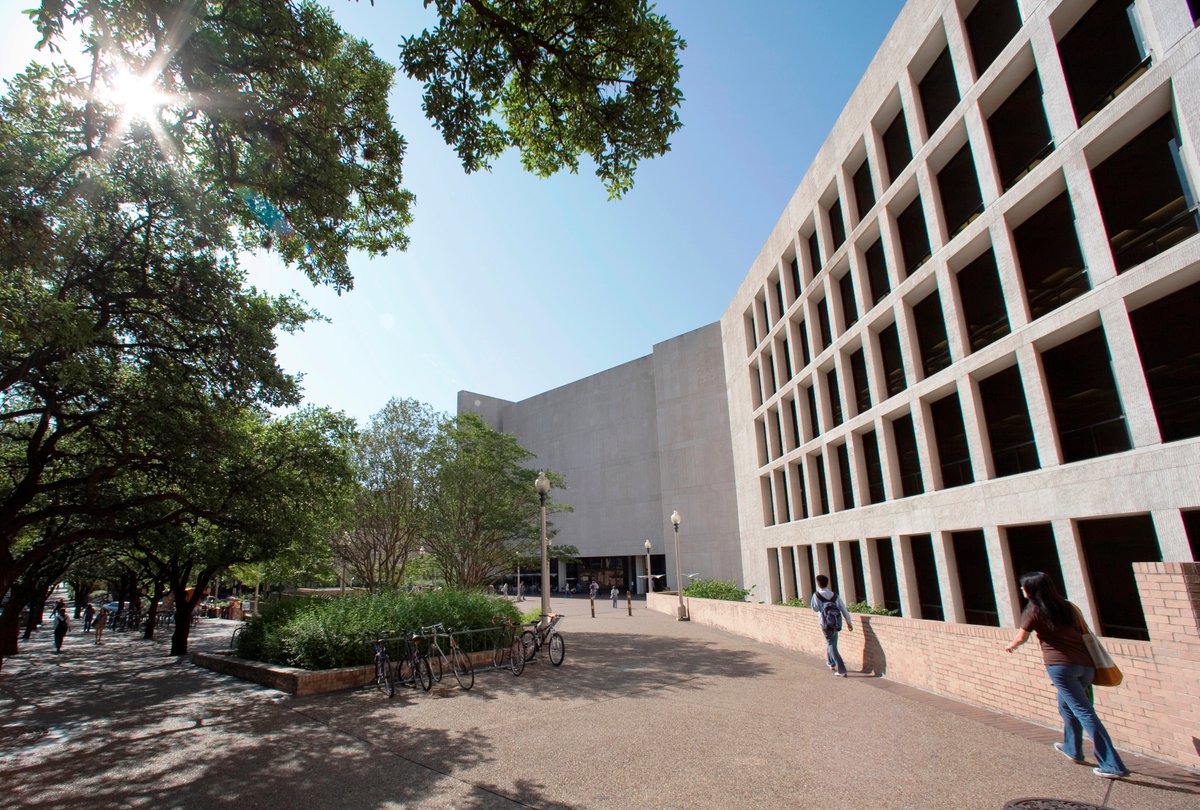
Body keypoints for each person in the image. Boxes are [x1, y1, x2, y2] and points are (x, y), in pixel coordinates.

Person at [1004, 571, 1129, 779]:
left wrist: (1010, 646)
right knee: (1066, 706)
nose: (1021, 590)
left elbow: (1021, 638)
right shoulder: (1067, 607)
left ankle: (1112, 764)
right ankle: (1072, 748)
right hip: (1086, 667)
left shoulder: (1034, 610)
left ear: (1031, 590)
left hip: (1061, 668)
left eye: (1023, 586)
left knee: (1084, 712)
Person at [810, 574, 853, 677]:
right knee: (833, 643)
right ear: (827, 583)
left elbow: (815, 609)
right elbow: (843, 608)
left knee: (830, 644)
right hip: (836, 623)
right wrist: (849, 622)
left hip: (825, 624)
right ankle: (831, 663)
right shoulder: (834, 595)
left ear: (818, 583)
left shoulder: (817, 595)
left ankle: (841, 669)